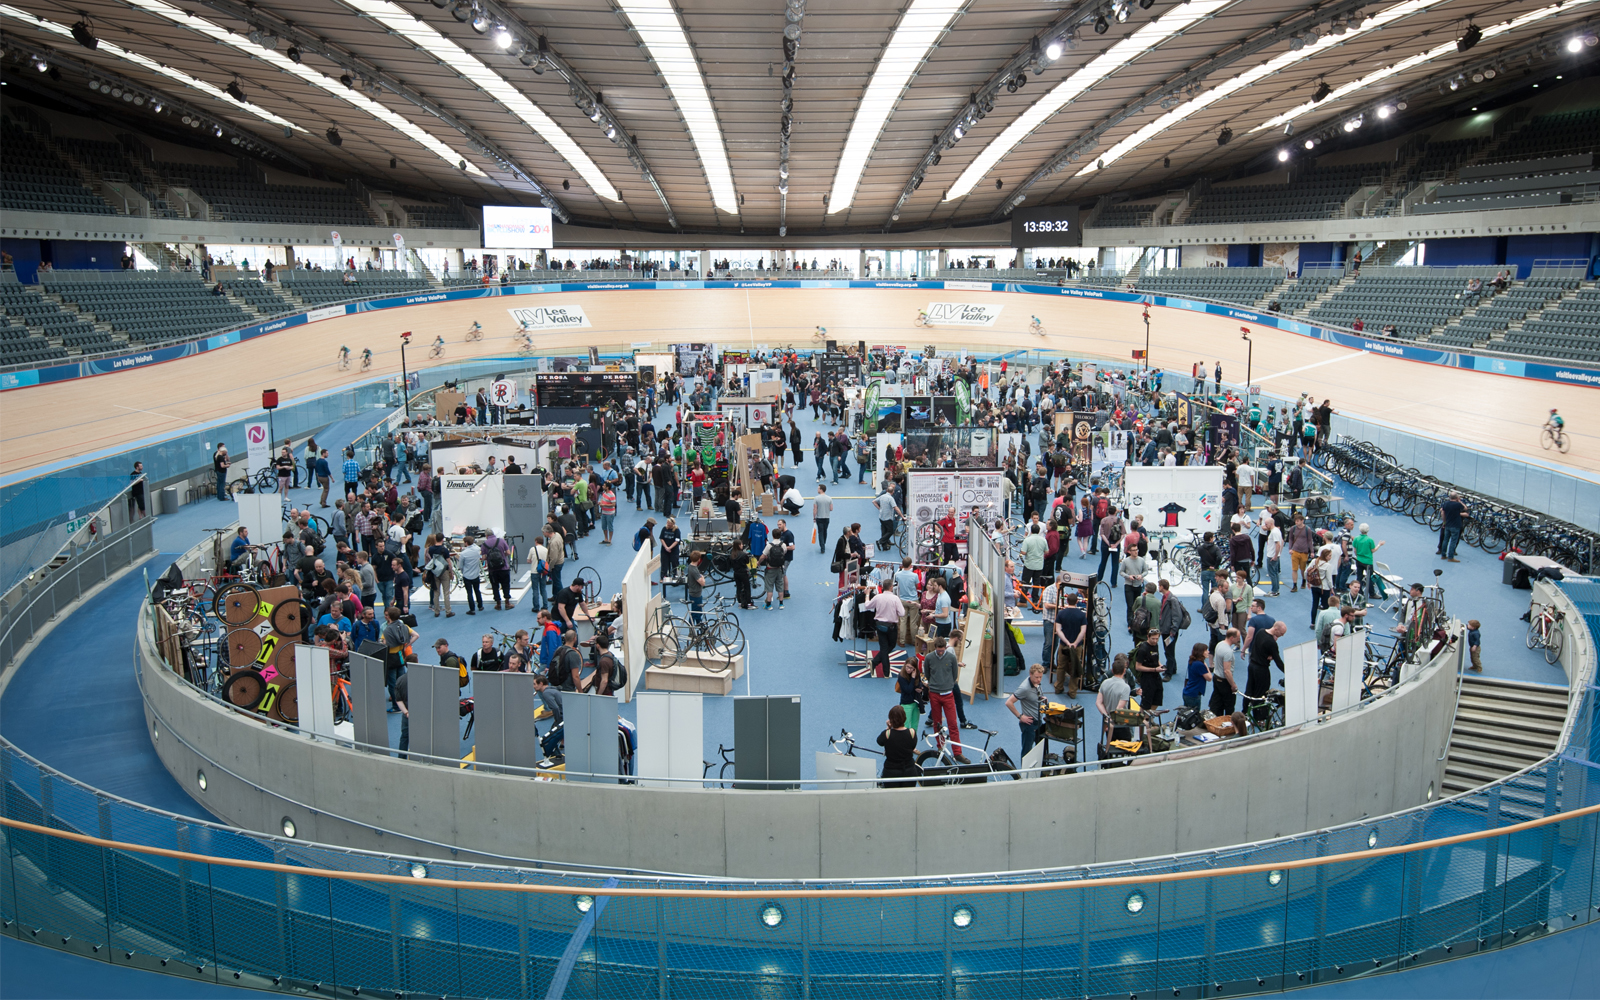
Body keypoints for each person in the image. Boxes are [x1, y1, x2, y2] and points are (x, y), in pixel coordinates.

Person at [923, 635, 961, 753]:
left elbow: (954, 675)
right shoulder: (929, 658)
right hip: (934, 694)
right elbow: (927, 674)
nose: (940, 653)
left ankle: (957, 752)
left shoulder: (951, 658)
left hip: (948, 694)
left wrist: (947, 684)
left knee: (953, 724)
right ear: (935, 648)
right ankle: (940, 747)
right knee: (937, 723)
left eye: (942, 650)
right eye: (938, 650)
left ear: (945, 648)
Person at [1245, 621, 1286, 728]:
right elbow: (1278, 661)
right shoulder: (1272, 643)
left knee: (1249, 690)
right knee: (1261, 695)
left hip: (1252, 666)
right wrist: (1288, 671)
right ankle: (1260, 719)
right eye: (1281, 633)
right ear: (1276, 629)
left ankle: (1245, 713)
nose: (1282, 636)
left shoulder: (1260, 632)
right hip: (1261, 670)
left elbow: (1257, 647)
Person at [1006, 663, 1047, 760]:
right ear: (1030, 674)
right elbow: (1009, 702)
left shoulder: (1036, 683)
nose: (1039, 680)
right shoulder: (1024, 688)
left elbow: (1035, 694)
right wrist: (1020, 716)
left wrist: (1041, 698)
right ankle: (1024, 774)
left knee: (1040, 749)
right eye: (1037, 677)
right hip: (1029, 724)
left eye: (1041, 677)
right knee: (1027, 752)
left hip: (1038, 721)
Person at [1053, 591, 1088, 697]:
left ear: (1067, 601)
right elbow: (1083, 631)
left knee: (1061, 666)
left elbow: (1058, 630)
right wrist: (1075, 643)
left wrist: (1067, 642)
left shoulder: (1061, 613)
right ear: (1077, 601)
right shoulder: (1082, 615)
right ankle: (1073, 692)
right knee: (1075, 666)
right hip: (1077, 646)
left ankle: (1059, 687)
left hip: (1063, 645)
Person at [877, 704, 919, 787]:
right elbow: (912, 745)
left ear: (891, 720)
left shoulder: (887, 734)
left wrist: (888, 728)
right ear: (904, 718)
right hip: (909, 771)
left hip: (891, 772)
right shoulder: (912, 732)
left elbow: (879, 741)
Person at [1097, 655, 1133, 744]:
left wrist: (1106, 716)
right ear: (1124, 671)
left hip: (1108, 722)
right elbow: (1119, 708)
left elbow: (1098, 702)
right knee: (1125, 748)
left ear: (1112, 670)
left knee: (1110, 745)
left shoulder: (1105, 683)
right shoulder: (1125, 687)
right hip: (1121, 724)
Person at [1210, 628, 1239, 717]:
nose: (1239, 639)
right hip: (1224, 682)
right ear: (1232, 638)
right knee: (1229, 705)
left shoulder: (1219, 644)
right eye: (1237, 637)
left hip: (1216, 677)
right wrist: (1233, 685)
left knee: (1217, 704)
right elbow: (1227, 671)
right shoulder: (1228, 652)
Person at [1351, 523, 1384, 598]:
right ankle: (1372, 593)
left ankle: (1359, 591)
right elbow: (1373, 550)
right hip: (1368, 562)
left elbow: (1355, 551)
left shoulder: (1356, 538)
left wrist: (1359, 556)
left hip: (1359, 560)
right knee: (1369, 578)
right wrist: (1379, 545)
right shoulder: (1370, 540)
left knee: (1359, 576)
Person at [1134, 628, 1164, 708]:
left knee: (1157, 699)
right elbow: (1138, 667)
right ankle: (1143, 719)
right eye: (1153, 639)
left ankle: (1149, 718)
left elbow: (1156, 658)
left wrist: (1160, 665)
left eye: (1157, 639)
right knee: (1146, 702)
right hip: (1147, 679)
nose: (1155, 641)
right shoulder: (1143, 649)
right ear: (1148, 637)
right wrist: (1154, 669)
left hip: (1156, 677)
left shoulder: (1155, 645)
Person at [458, 534, 484, 615]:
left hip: (467, 575)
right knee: (477, 591)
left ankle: (472, 609)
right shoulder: (477, 549)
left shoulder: (463, 554)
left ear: (466, 543)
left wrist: (463, 572)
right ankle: (480, 606)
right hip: (476, 574)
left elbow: (460, 566)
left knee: (469, 593)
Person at [1182, 643, 1212, 711]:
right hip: (1194, 695)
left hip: (1188, 692)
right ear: (1201, 652)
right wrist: (1205, 665)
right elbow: (1209, 678)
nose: (1208, 652)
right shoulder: (1200, 664)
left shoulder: (1192, 661)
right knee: (1193, 717)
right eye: (1206, 650)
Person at [1437, 491, 1465, 563]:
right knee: (1453, 541)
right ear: (1456, 497)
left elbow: (1443, 513)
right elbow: (1465, 508)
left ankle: (1443, 555)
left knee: (1445, 540)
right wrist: (1459, 501)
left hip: (1448, 524)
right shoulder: (1457, 505)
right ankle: (1450, 557)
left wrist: (1444, 522)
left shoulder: (1446, 504)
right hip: (1455, 525)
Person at [812, 483, 833, 553]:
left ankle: (822, 547)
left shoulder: (816, 498)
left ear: (821, 489)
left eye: (818, 488)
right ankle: (824, 542)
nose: (817, 489)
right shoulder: (829, 498)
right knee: (825, 531)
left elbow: (815, 509)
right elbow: (831, 509)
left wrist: (814, 517)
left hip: (819, 518)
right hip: (827, 518)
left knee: (820, 532)